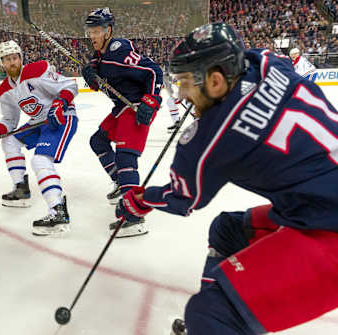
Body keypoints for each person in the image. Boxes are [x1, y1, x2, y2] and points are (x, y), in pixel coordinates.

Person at [115, 23, 338, 334]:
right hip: (316, 207)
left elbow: (184, 198)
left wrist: (138, 202)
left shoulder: (209, 139)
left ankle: (218, 323)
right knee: (227, 229)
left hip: (328, 230)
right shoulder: (267, 62)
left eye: (186, 83)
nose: (182, 93)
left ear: (216, 81)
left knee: (208, 314)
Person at [0, 40, 79, 236]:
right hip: (38, 122)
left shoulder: (36, 70)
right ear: (1, 63)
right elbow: (9, 121)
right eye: (7, 59)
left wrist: (60, 103)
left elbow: (70, 85)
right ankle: (20, 189)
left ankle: (58, 211)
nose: (12, 62)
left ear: (21, 58)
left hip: (61, 118)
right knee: (9, 140)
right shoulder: (5, 89)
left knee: (39, 160)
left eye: (15, 58)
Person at [81, 7, 163, 238]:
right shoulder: (100, 55)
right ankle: (121, 182)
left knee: (125, 157)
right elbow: (105, 82)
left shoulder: (119, 51)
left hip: (137, 107)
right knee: (98, 142)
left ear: (108, 31)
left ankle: (134, 216)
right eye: (90, 31)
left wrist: (151, 101)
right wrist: (91, 74)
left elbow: (154, 71)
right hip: (121, 108)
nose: (93, 36)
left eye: (97, 31)